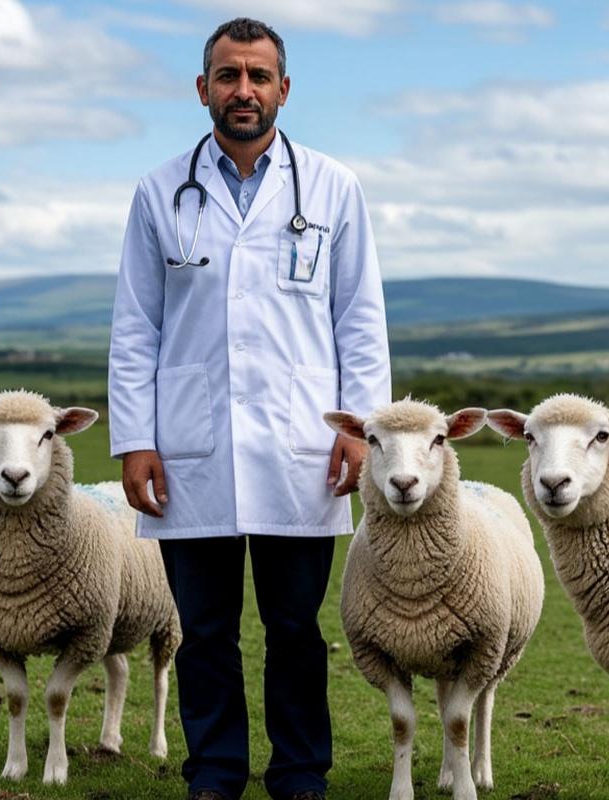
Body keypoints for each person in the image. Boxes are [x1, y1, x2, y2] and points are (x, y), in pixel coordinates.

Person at [107, 17, 391, 800]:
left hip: (305, 447)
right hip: (188, 447)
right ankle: (216, 772)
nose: (243, 91)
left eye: (258, 76)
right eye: (228, 76)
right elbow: (136, 326)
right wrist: (134, 439)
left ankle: (300, 774)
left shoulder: (333, 187)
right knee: (204, 633)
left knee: (296, 631)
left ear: (283, 90)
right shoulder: (159, 191)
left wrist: (363, 428)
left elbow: (359, 318)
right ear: (202, 89)